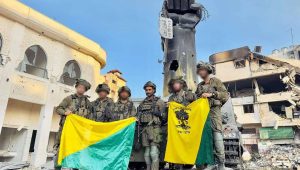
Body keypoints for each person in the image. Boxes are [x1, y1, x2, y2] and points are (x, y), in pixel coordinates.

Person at [195, 61, 230, 170]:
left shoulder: (216, 81)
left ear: (207, 70)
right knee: (207, 141)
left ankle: (221, 164)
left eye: (203, 70)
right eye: (199, 70)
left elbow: (225, 95)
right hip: (203, 116)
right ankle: (210, 163)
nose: (201, 72)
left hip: (214, 114)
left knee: (218, 140)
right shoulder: (199, 86)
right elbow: (196, 100)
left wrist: (212, 94)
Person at [54, 79, 92, 170]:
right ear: (76, 87)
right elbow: (58, 109)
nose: (81, 89)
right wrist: (65, 112)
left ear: (85, 90)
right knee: (61, 150)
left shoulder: (88, 102)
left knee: (78, 151)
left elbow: (90, 117)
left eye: (83, 88)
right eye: (79, 87)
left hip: (79, 132)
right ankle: (57, 168)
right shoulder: (69, 98)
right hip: (66, 130)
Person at [167, 77, 197, 170]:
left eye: (177, 83)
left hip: (189, 125)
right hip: (176, 126)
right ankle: (177, 166)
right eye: (173, 84)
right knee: (177, 147)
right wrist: (168, 106)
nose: (175, 85)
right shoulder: (171, 97)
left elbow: (197, 107)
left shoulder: (189, 94)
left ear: (182, 84)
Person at [137, 81, 165, 170]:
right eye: (146, 90)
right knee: (146, 153)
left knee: (154, 153)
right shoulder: (142, 103)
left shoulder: (159, 102)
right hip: (144, 129)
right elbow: (138, 115)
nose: (147, 91)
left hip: (155, 129)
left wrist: (159, 114)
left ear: (154, 90)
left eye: (149, 89)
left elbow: (165, 117)